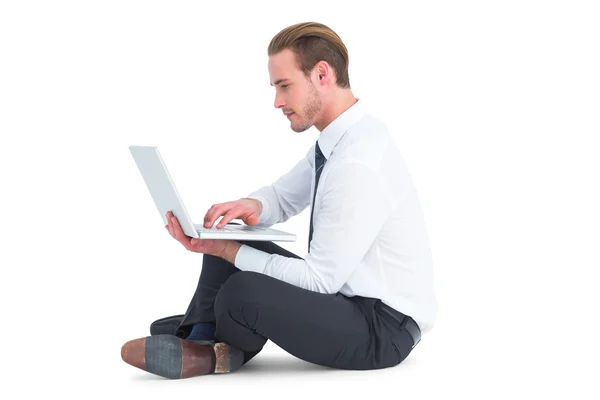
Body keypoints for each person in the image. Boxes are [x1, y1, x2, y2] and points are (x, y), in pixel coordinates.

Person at [120, 21, 437, 379]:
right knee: (231, 237)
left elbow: (320, 282)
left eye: (284, 86)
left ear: (321, 75)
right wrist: (248, 206)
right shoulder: (341, 138)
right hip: (350, 302)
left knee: (241, 286)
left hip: (381, 330)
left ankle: (209, 346)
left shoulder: (358, 163)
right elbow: (283, 197)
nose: (277, 102)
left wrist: (229, 253)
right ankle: (203, 330)